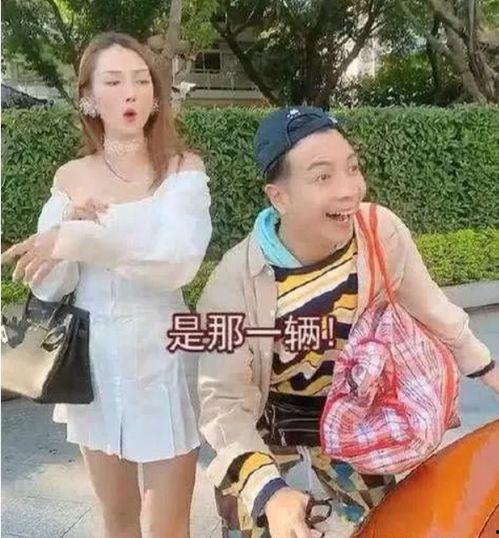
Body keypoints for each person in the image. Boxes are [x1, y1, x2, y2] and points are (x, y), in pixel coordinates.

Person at [195, 106, 499, 538]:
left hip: (352, 419)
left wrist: (488, 369)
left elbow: (433, 308)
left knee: (390, 524)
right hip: (265, 426)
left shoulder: (379, 231)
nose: (349, 190)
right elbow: (223, 404)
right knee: (260, 523)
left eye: (352, 168)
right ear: (279, 197)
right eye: (323, 177)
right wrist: (270, 494)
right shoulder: (233, 282)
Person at [2, 32, 211, 538]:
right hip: (95, 367)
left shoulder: (182, 170)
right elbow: (49, 288)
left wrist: (81, 238)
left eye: (141, 80)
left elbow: (177, 263)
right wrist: (68, 224)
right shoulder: (71, 177)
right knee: (117, 520)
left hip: (164, 361)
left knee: (168, 526)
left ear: (156, 96)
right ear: (89, 98)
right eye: (113, 82)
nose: (130, 93)